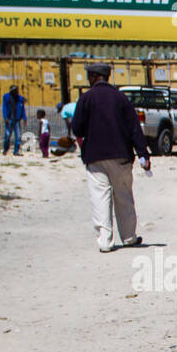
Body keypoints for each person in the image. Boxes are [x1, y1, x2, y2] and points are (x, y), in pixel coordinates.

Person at [70, 63, 151, 252]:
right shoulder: (121, 98)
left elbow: (77, 129)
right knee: (123, 196)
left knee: (100, 197)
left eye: (89, 76)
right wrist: (143, 155)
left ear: (94, 77)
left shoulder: (86, 99)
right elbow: (134, 129)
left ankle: (105, 241)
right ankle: (129, 237)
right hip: (121, 156)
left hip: (95, 157)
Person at [2, 85, 25, 155]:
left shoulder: (20, 98)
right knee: (7, 135)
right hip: (9, 119)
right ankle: (5, 149)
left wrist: (24, 117)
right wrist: (5, 117)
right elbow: (4, 107)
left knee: (18, 136)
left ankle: (16, 151)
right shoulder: (6, 97)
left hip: (17, 120)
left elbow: (22, 108)